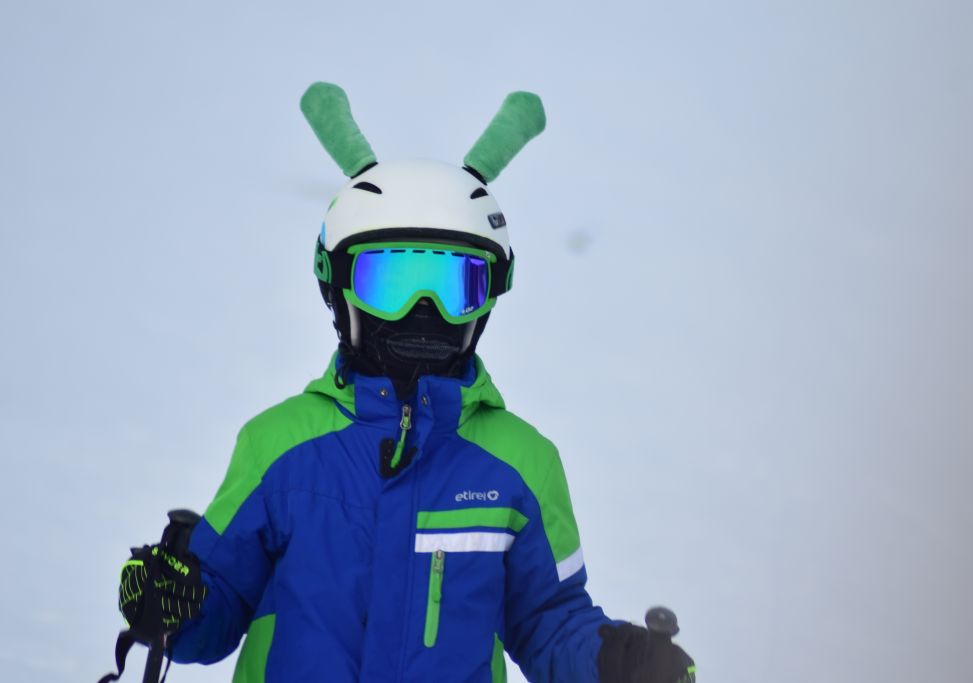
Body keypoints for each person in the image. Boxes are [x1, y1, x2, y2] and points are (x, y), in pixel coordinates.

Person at [112, 83, 695, 683]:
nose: (422, 310)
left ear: (490, 296)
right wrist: (174, 601)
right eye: (389, 282)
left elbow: (549, 619)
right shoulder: (279, 448)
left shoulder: (521, 466)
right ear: (337, 285)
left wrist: (616, 661)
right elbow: (217, 607)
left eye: (454, 286)